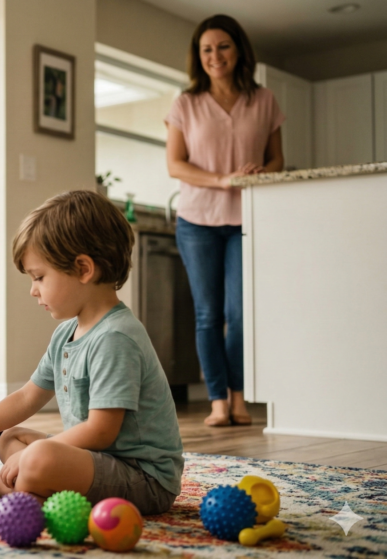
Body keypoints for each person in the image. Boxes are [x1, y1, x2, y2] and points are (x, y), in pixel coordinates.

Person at [0, 190, 183, 515]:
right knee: (10, 439)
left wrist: (34, 455)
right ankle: (33, 487)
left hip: (143, 479)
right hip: (100, 461)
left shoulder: (116, 338)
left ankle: (19, 495)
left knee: (39, 456)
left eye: (40, 277)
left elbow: (101, 431)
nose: (33, 289)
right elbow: (28, 397)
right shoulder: (65, 335)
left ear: (84, 269)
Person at [165, 14, 284, 427]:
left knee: (241, 312)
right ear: (199, 57)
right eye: (207, 49)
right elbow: (175, 165)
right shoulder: (185, 104)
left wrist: (258, 173)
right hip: (197, 220)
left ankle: (238, 398)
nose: (215, 56)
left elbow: (277, 161)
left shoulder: (264, 100)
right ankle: (217, 399)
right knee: (208, 314)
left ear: (238, 50)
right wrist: (222, 179)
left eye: (223, 46)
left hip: (246, 220)